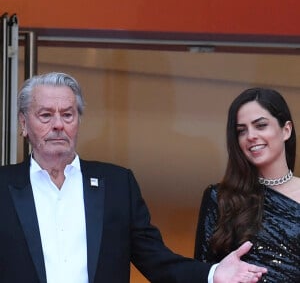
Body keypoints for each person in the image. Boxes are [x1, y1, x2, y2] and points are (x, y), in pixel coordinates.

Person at [0, 72, 267, 283]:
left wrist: (213, 274)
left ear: (78, 122)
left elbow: (156, 260)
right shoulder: (3, 187)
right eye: (45, 115)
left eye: (67, 114)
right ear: (24, 124)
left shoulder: (117, 184)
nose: (58, 124)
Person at [194, 87, 300, 282]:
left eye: (260, 125)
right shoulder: (220, 197)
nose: (250, 135)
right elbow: (204, 271)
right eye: (241, 130)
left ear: (286, 130)